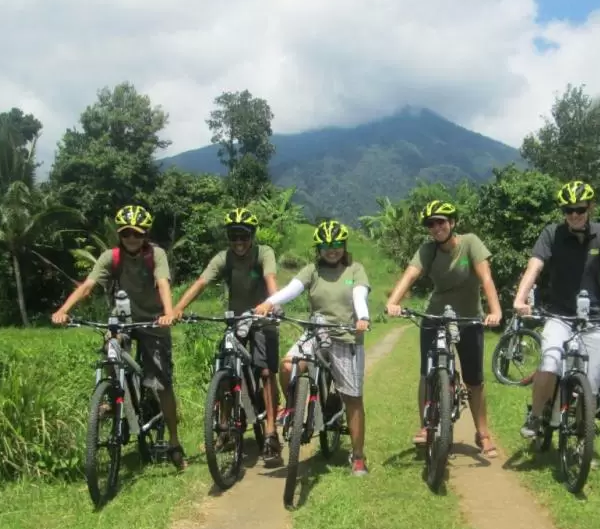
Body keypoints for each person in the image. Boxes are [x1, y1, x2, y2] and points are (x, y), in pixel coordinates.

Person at [52, 204, 187, 471]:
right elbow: (88, 286)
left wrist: (169, 312)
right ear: (120, 235)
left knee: (162, 383)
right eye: (126, 234)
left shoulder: (155, 254)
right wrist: (63, 310)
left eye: (137, 234)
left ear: (145, 234)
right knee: (110, 349)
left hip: (153, 320)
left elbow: (163, 283)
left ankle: (173, 441)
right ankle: (113, 399)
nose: (132, 239)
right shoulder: (110, 257)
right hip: (122, 320)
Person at [510, 180, 600, 440]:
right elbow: (534, 267)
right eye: (568, 210)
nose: (574, 215)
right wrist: (520, 299)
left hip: (595, 317)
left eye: (580, 209)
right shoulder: (551, 234)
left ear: (590, 207)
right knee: (550, 359)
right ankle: (536, 416)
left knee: (592, 381)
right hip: (559, 315)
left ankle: (582, 428)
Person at [385, 200, 503, 459]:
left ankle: (482, 432)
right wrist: (393, 302)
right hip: (435, 314)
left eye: (441, 222)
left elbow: (486, 278)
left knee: (474, 380)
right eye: (431, 224)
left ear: (452, 223)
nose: (436, 227)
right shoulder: (428, 250)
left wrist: (495, 311)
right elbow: (410, 275)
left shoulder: (470, 243)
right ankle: (426, 426)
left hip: (469, 317)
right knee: (428, 373)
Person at [254, 219, 372, 477]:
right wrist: (268, 303)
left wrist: (362, 317)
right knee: (287, 365)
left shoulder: (355, 269)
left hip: (346, 336)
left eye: (337, 244)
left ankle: (359, 456)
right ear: (318, 248)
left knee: (352, 397)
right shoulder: (312, 270)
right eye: (327, 245)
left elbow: (358, 295)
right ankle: (293, 408)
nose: (332, 250)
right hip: (315, 332)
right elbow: (292, 290)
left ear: (344, 245)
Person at [165, 207, 283, 464]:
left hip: (263, 317)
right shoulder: (223, 258)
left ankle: (272, 433)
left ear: (252, 235)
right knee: (225, 367)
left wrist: (272, 303)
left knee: (265, 372)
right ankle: (225, 427)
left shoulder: (264, 253)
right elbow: (200, 282)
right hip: (236, 319)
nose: (239, 242)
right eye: (233, 236)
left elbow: (270, 277)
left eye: (243, 236)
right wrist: (178, 308)